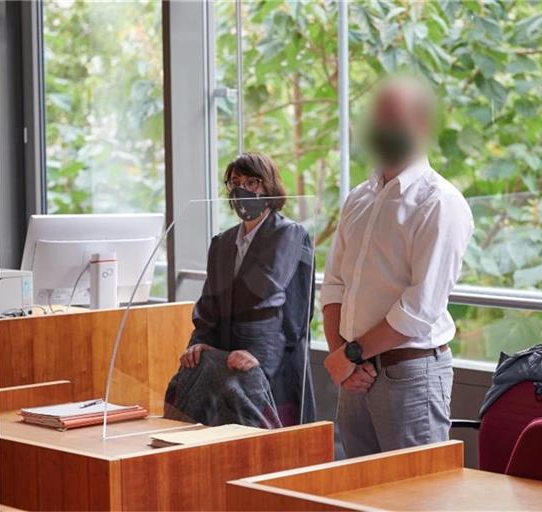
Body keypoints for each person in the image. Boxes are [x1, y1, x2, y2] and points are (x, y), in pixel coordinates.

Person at [321, 77, 474, 456]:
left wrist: (350, 355)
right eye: (378, 119)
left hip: (410, 376)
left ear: (420, 124)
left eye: (393, 118)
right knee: (359, 496)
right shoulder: (359, 198)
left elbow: (418, 312)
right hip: (354, 378)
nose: (382, 128)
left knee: (415, 497)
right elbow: (334, 285)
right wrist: (342, 356)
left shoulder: (440, 203)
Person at [174, 152, 315, 427]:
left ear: (269, 185)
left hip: (273, 365)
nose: (243, 189)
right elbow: (209, 303)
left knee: (274, 449)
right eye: (235, 182)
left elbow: (292, 310)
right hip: (226, 365)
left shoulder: (289, 234)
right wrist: (200, 344)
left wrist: (260, 353)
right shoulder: (222, 242)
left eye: (252, 182)